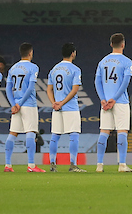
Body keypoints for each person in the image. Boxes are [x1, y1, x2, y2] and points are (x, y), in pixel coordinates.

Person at [95, 32, 132, 173]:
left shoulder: (102, 61)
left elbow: (97, 82)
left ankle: (99, 165)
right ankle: (122, 165)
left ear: (111, 44)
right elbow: (125, 82)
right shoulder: (127, 61)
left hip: (105, 102)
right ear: (123, 44)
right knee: (122, 131)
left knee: (104, 132)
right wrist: (115, 99)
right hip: (120, 101)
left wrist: (103, 99)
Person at [4, 42, 43, 173]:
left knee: (13, 133)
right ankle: (31, 166)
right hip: (28, 104)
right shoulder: (33, 67)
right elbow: (31, 87)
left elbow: (8, 88)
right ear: (30, 53)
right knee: (30, 132)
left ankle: (8, 165)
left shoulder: (13, 68)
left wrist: (13, 104)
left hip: (15, 105)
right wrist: (20, 104)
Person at [48, 43, 84, 173]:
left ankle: (52, 164)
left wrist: (54, 103)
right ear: (73, 53)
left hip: (57, 108)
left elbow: (49, 89)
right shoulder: (75, 69)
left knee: (55, 136)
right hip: (70, 107)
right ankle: (73, 165)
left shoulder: (54, 69)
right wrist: (62, 103)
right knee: (74, 135)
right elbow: (75, 90)